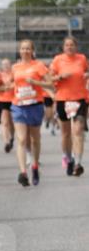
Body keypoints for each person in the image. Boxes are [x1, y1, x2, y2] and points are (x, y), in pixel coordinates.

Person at [10, 39, 54, 186]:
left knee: (35, 139)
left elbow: (50, 84)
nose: (25, 51)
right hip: (19, 105)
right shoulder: (15, 67)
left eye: (28, 49)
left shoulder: (39, 66)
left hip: (35, 105)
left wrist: (36, 83)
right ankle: (23, 172)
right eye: (23, 48)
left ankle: (34, 165)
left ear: (32, 51)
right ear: (19, 51)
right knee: (21, 139)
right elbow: (13, 84)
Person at [50, 35, 88, 177]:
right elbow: (49, 78)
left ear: (76, 47)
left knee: (78, 130)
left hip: (79, 99)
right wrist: (59, 77)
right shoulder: (57, 60)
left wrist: (87, 75)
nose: (69, 47)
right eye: (67, 45)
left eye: (72, 45)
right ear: (63, 47)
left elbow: (87, 71)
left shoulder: (82, 59)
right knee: (66, 134)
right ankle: (69, 158)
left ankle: (78, 163)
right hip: (63, 99)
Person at [0, 57, 15, 153]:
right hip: (3, 100)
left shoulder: (14, 74)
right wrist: (3, 87)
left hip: (14, 99)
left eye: (7, 64)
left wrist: (12, 84)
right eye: (4, 65)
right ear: (1, 66)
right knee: (5, 122)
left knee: (11, 123)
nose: (6, 66)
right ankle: (6, 142)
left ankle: (12, 138)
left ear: (10, 65)